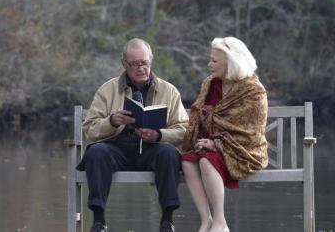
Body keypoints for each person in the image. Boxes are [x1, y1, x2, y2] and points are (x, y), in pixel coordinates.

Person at [77, 38, 189, 232]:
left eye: (144, 62)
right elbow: (90, 128)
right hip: (117, 147)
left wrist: (158, 135)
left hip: (152, 148)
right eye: (134, 64)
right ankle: (99, 221)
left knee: (169, 153)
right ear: (124, 64)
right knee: (97, 152)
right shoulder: (108, 89)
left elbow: (184, 129)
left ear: (151, 61)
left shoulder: (169, 91)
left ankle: (167, 221)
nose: (140, 68)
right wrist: (112, 121)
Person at [181, 37, 268, 232]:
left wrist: (217, 144)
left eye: (214, 60)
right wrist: (202, 139)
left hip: (244, 150)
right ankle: (206, 220)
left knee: (206, 160)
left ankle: (220, 222)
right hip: (210, 145)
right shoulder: (210, 84)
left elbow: (251, 132)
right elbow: (199, 115)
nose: (209, 64)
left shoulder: (253, 90)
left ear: (231, 62)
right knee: (187, 160)